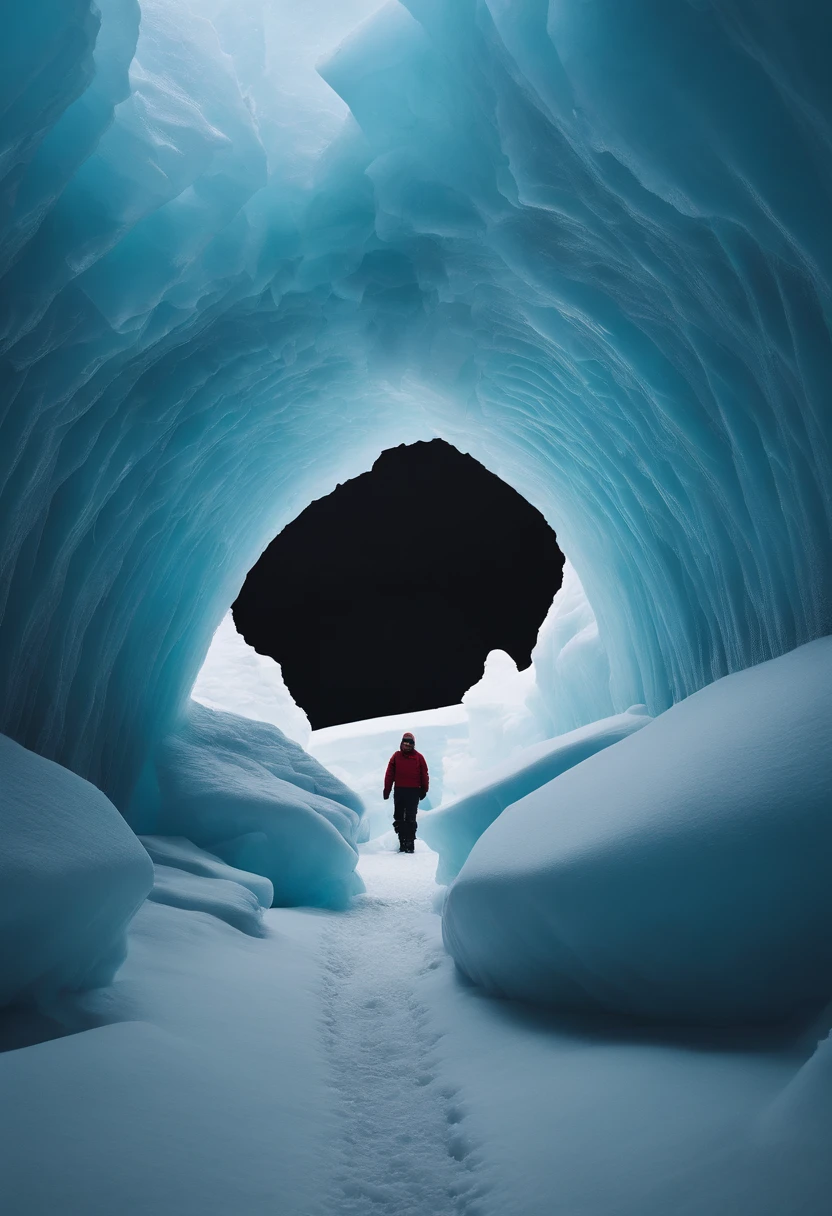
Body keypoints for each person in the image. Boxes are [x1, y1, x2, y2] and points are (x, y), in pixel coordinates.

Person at [383, 731, 429, 853]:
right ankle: (402, 840)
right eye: (406, 742)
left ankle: (409, 843)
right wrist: (386, 790)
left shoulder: (419, 757)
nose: (408, 745)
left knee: (410, 817)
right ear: (401, 743)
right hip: (400, 791)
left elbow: (424, 774)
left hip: (413, 792)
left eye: (410, 743)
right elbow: (389, 774)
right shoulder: (396, 756)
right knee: (399, 817)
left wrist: (424, 789)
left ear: (414, 744)